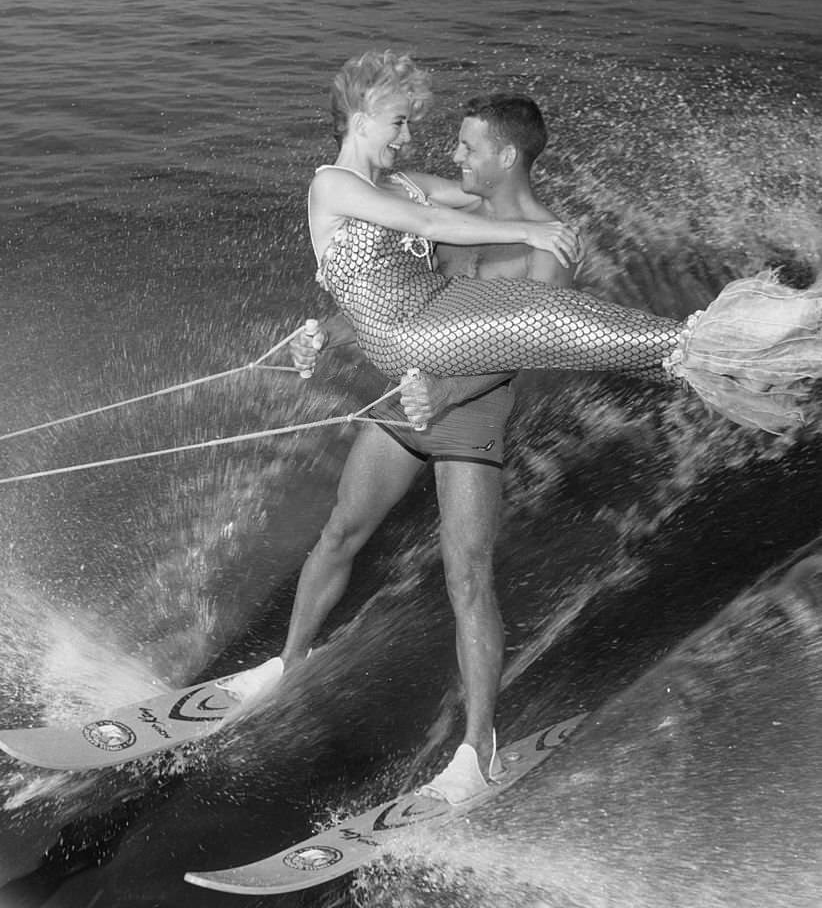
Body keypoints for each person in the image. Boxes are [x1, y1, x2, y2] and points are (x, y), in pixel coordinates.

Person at [220, 93, 578, 805]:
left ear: (506, 155)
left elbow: (523, 346)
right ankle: (286, 663)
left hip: (469, 413)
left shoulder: (551, 241)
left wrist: (444, 397)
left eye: (469, 147)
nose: (454, 155)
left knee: (467, 580)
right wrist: (326, 330)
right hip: (406, 399)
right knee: (339, 534)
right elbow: (399, 296)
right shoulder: (455, 219)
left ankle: (479, 750)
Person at [300, 50, 822, 435]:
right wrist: (530, 232)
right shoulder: (333, 185)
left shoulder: (404, 183)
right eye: (399, 123)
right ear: (362, 121)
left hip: (443, 306)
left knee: (574, 321)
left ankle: (742, 358)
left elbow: (480, 191)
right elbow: (433, 225)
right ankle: (753, 336)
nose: (408, 137)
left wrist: (532, 203)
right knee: (544, 319)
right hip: (404, 336)